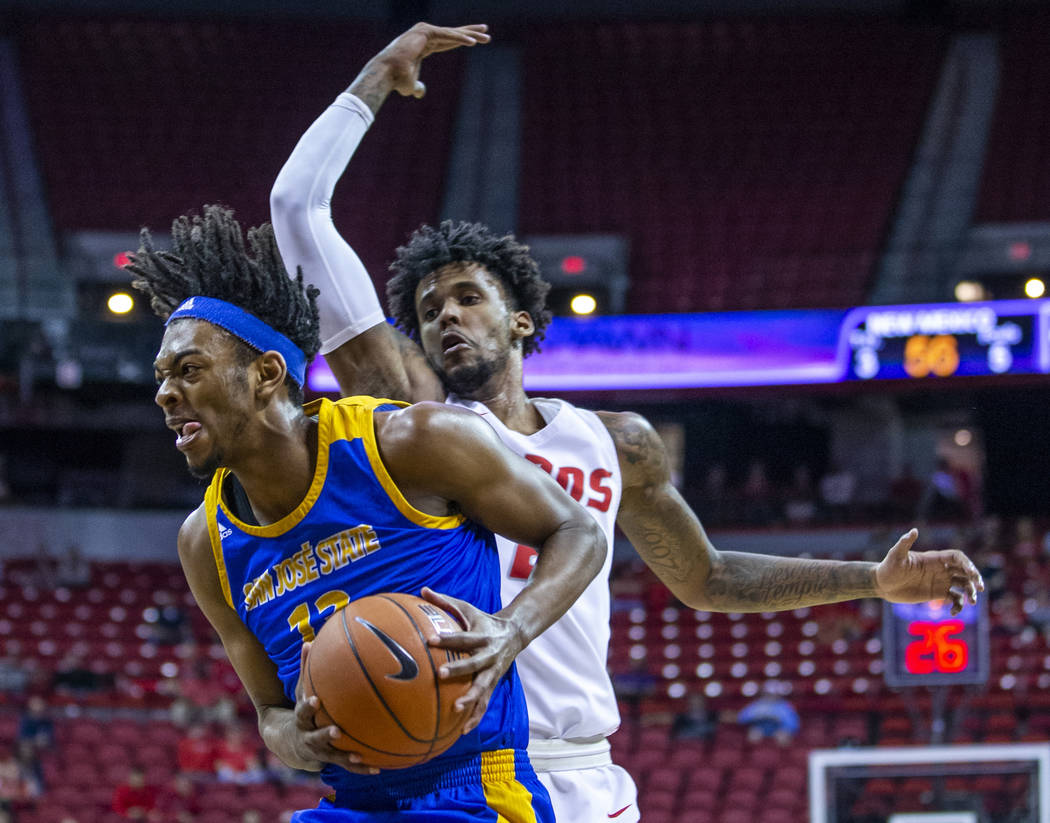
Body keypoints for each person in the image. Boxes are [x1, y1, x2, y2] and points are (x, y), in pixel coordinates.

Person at [269, 22, 985, 822]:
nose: (445, 318)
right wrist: (374, 78)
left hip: (589, 779)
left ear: (521, 322)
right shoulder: (410, 424)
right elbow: (296, 208)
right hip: (462, 776)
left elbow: (707, 578)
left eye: (468, 296)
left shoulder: (617, 442)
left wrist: (871, 582)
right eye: (429, 309)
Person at [125, 202, 605, 822]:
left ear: (267, 374)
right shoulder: (205, 543)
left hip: (475, 790)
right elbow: (270, 714)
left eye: (189, 370)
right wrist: (294, 739)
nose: (165, 393)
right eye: (162, 376)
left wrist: (512, 629)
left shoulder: (409, 443)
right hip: (349, 802)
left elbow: (579, 530)